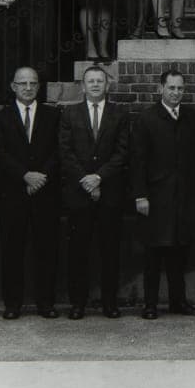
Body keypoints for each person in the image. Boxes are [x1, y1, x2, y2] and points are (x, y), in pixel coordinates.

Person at [130, 69, 195, 319]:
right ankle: (150, 304)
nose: (176, 93)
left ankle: (178, 302)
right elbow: (137, 161)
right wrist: (140, 195)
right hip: (156, 198)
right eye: (171, 88)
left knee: (179, 253)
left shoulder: (192, 118)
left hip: (184, 198)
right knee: (154, 253)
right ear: (161, 89)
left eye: (180, 88)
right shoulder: (147, 119)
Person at [59, 65, 130, 319]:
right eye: (91, 81)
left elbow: (122, 152)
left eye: (100, 81)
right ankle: (78, 303)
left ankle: (110, 303)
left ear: (107, 85)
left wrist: (99, 177)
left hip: (110, 192)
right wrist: (85, 179)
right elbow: (65, 152)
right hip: (79, 193)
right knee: (79, 251)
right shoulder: (70, 113)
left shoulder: (119, 114)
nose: (96, 85)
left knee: (110, 250)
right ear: (83, 86)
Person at [0, 67, 60, 320]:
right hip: (14, 194)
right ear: (13, 86)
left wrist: (41, 177)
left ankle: (46, 303)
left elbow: (58, 151)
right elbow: (0, 154)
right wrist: (24, 175)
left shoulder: (53, 115)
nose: (28, 88)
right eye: (23, 83)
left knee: (46, 250)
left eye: (33, 83)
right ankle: (12, 304)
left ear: (39, 86)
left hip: (45, 194)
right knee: (12, 251)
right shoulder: (2, 118)